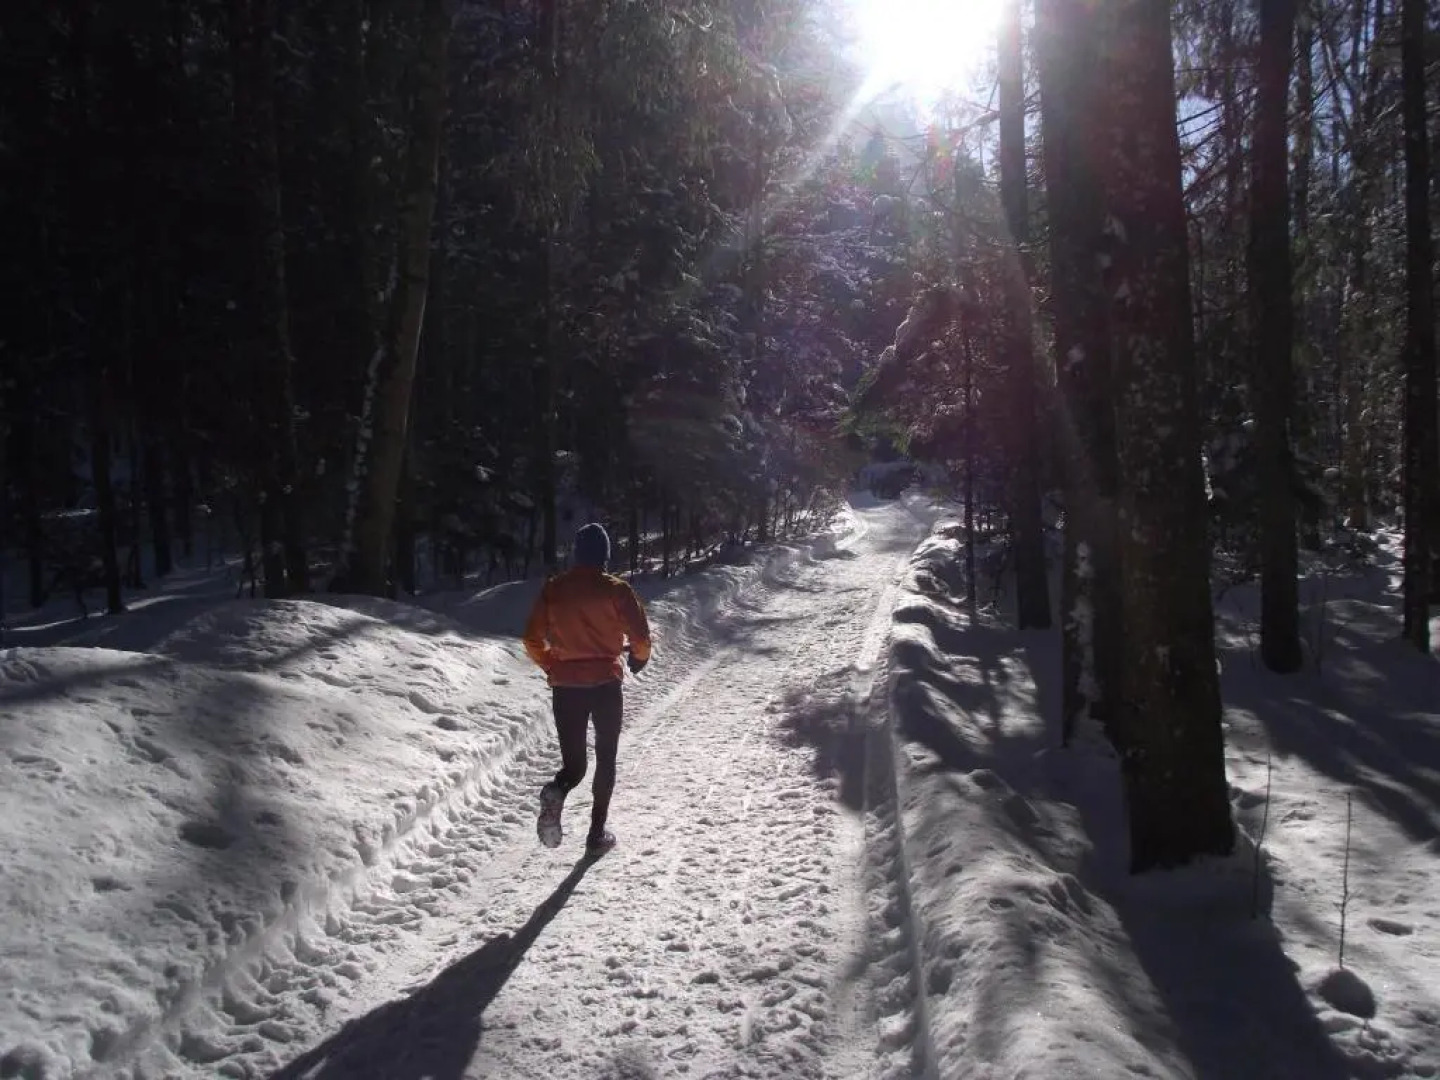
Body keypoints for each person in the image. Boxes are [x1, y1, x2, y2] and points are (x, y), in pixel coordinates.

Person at [523, 523, 652, 852]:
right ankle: (596, 834)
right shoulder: (616, 589)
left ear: (576, 554)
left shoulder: (554, 589)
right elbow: (640, 638)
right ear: (605, 556)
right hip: (605, 684)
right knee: (606, 757)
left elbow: (532, 638)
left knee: (575, 765)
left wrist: (552, 663)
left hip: (566, 688)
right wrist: (639, 659)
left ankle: (558, 789)